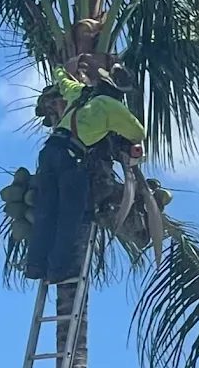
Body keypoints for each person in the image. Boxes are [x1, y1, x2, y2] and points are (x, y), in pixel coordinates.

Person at [25, 58, 146, 283]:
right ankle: (56, 269)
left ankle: (34, 264)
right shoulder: (112, 106)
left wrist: (63, 67)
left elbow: (60, 78)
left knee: (46, 211)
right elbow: (138, 133)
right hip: (72, 160)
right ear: (118, 91)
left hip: (50, 152)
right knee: (70, 216)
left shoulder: (79, 92)